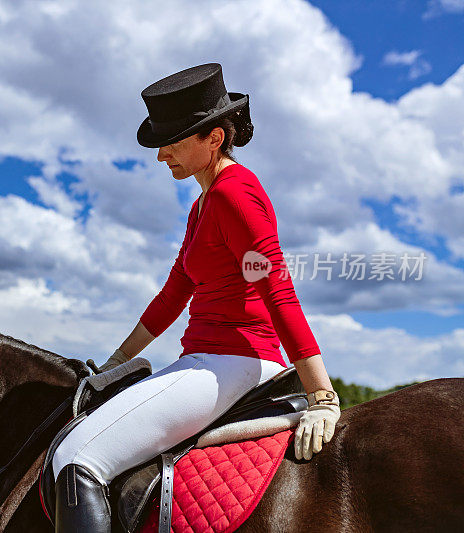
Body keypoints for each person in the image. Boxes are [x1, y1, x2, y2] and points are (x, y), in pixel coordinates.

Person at [51, 63, 341, 532]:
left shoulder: (235, 195)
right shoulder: (202, 204)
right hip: (204, 360)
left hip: (233, 359)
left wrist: (322, 394)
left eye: (174, 140)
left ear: (214, 137)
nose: (161, 154)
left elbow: (278, 290)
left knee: (74, 459)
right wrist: (111, 366)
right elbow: (171, 298)